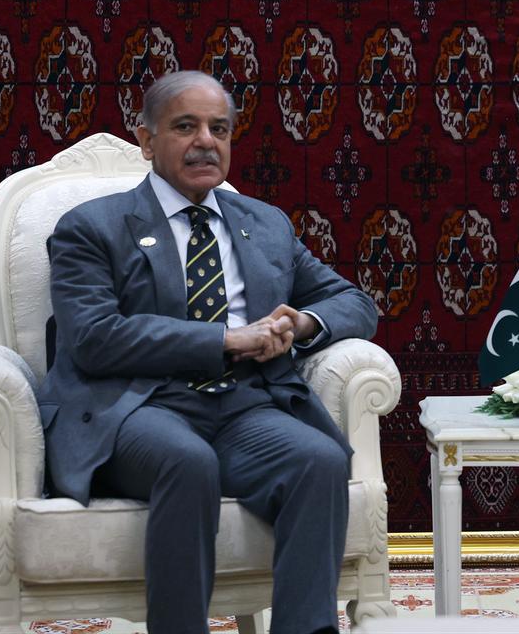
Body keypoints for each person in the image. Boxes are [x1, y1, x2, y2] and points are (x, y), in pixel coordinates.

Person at [37, 71, 379, 634]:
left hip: (243, 407)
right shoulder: (92, 227)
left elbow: (353, 302)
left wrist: (302, 321)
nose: (206, 141)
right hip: (138, 408)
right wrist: (223, 339)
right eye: (185, 126)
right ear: (147, 141)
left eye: (219, 129)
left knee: (318, 459)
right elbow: (94, 338)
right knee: (186, 461)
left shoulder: (265, 225)